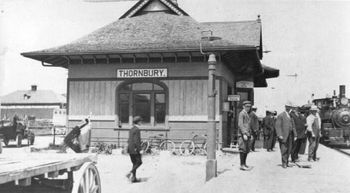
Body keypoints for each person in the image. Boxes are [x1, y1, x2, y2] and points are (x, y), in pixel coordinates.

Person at [275, 103, 297, 168]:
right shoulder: (281, 115)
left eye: (290, 107)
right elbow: (277, 126)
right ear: (285, 107)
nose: (289, 108)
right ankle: (284, 163)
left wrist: (295, 135)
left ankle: (286, 162)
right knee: (284, 149)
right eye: (288, 107)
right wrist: (279, 135)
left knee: (289, 149)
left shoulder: (291, 116)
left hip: (290, 135)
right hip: (283, 135)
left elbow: (293, 126)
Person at [126, 116, 143, 182]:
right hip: (135, 149)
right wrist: (140, 149)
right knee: (139, 162)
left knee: (134, 163)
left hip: (130, 149)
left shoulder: (131, 129)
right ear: (138, 122)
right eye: (140, 121)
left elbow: (129, 140)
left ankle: (134, 179)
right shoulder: (137, 129)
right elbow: (136, 141)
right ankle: (130, 173)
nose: (141, 122)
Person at [238, 101, 252, 171]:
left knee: (246, 149)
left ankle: (244, 163)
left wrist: (249, 134)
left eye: (249, 106)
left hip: (247, 134)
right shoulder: (242, 113)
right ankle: (242, 165)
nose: (248, 108)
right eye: (247, 106)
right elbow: (240, 124)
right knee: (242, 149)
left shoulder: (246, 114)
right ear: (243, 106)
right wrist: (244, 133)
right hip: (243, 135)